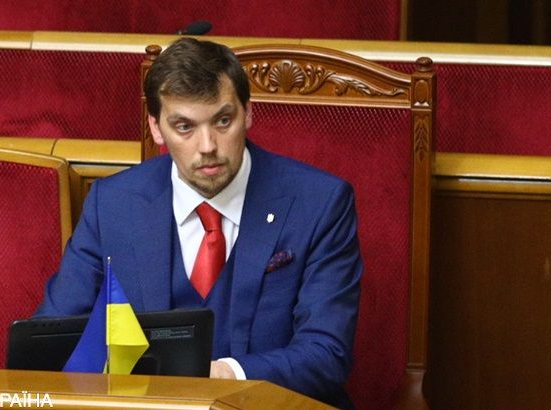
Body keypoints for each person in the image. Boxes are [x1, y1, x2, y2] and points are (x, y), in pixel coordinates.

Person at [36, 37, 362, 408]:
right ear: (156, 128)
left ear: (247, 113)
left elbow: (326, 354)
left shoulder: (320, 203)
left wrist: (225, 375)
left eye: (223, 121)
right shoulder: (112, 204)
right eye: (184, 127)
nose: (207, 146)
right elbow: (51, 342)